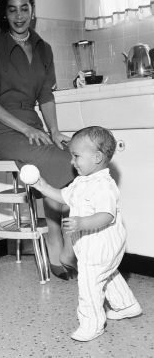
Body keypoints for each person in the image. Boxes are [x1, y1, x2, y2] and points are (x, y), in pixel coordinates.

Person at [0, 0, 76, 280]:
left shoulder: (43, 49)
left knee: (74, 155)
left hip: (35, 128)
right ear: (3, 15)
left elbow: (45, 94)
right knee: (61, 163)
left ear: (32, 11)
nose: (19, 16)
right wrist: (26, 129)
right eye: (12, 10)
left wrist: (54, 130)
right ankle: (59, 240)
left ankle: (59, 235)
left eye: (25, 8)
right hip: (6, 133)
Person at [31, 126, 142, 341]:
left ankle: (91, 324)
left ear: (97, 157)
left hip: (102, 243)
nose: (72, 161)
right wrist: (43, 186)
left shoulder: (103, 185)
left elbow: (106, 215)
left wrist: (82, 222)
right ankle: (126, 305)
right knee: (107, 273)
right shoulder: (82, 181)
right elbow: (63, 196)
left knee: (89, 282)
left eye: (76, 156)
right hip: (93, 244)